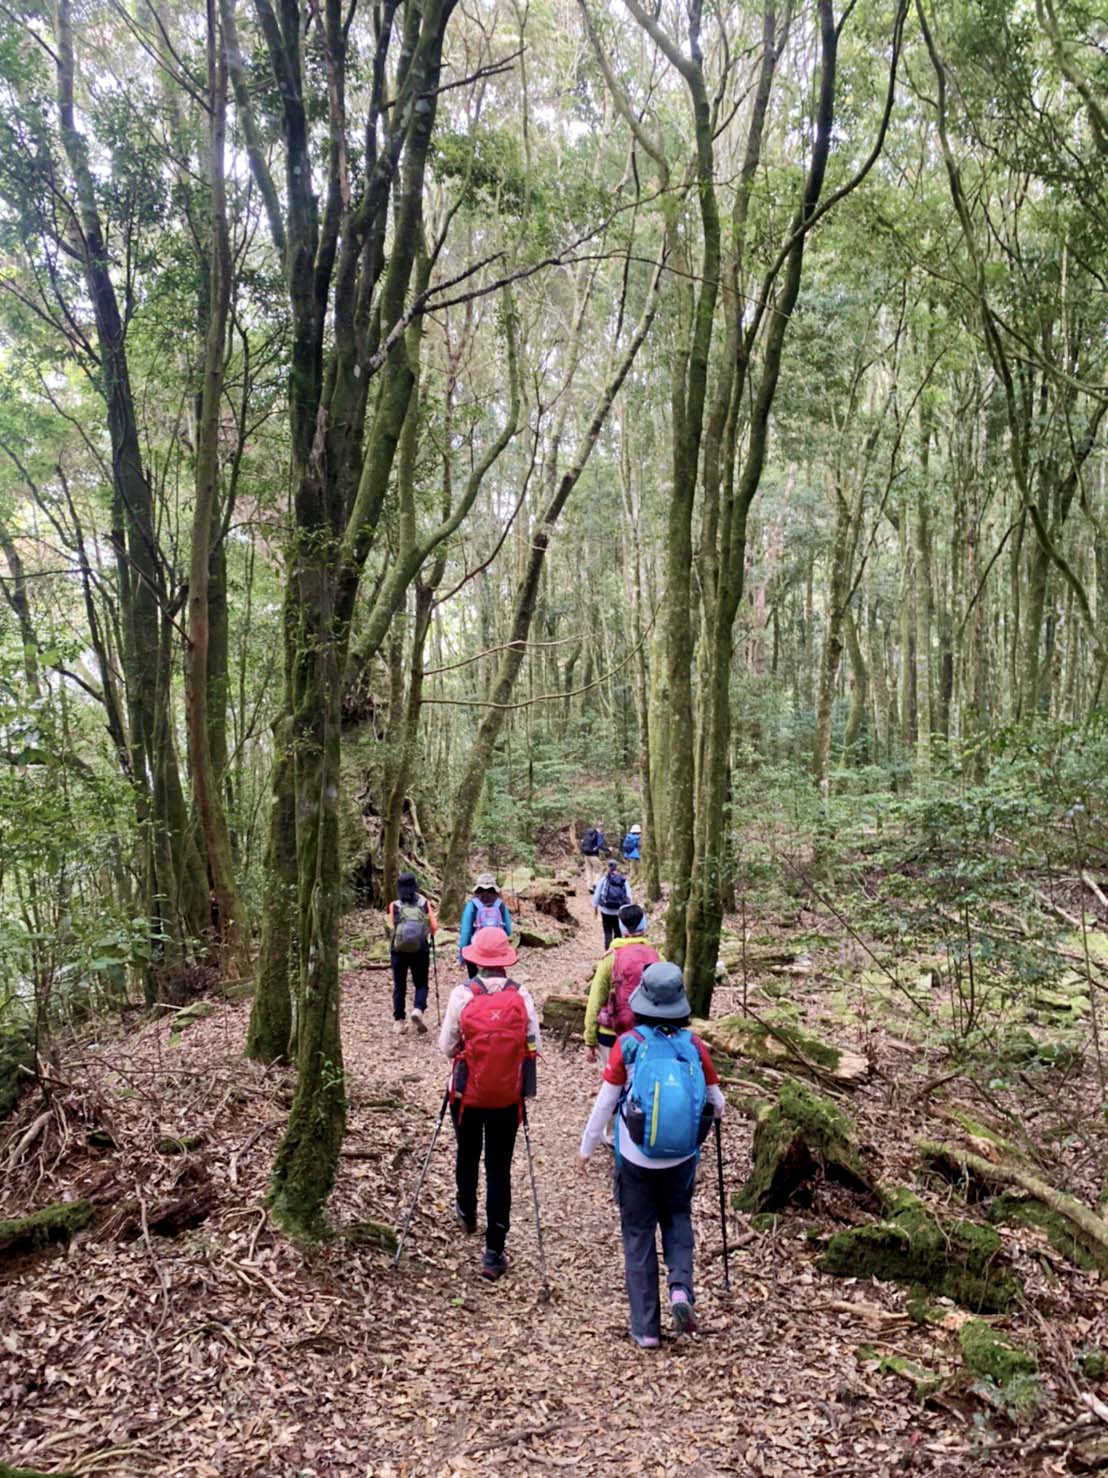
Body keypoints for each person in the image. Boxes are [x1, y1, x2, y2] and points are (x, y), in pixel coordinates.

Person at [578, 963, 725, 1347]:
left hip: (636, 1159)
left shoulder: (629, 1044)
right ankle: (681, 1290)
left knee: (639, 1233)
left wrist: (587, 1147)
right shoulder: (694, 1046)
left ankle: (646, 1329)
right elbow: (718, 1103)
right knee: (677, 1219)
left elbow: (606, 1103)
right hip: (681, 1158)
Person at [439, 925, 541, 1280]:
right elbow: (533, 1043)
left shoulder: (462, 995)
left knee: (467, 1152)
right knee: (498, 1166)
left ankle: (466, 1211)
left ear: (477, 960)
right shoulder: (521, 995)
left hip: (466, 1093)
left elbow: (446, 1045)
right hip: (507, 1097)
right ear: (505, 961)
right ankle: (494, 1250)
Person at [583, 903, 660, 1065]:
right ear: (644, 926)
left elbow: (595, 1000)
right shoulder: (658, 957)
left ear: (622, 928)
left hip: (611, 1034)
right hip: (648, 1034)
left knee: (613, 1085)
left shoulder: (610, 958)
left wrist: (589, 1038)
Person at [386, 872, 438, 1035]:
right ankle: (418, 1009)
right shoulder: (424, 903)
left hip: (398, 950)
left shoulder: (394, 905)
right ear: (415, 885)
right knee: (421, 983)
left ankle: (399, 1021)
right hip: (420, 949)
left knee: (399, 985)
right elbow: (434, 927)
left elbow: (392, 926)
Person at [457, 874, 512, 980]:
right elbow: (508, 931)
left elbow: (466, 932)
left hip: (476, 949)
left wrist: (462, 956)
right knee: (497, 981)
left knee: (475, 982)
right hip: (497, 949)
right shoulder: (500, 904)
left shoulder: (472, 905)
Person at [593, 858, 632, 948]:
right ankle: (618, 953)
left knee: (608, 932)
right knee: (618, 932)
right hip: (619, 911)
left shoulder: (604, 879)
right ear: (616, 868)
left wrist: (595, 910)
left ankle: (608, 953)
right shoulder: (623, 880)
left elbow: (597, 895)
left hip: (606, 910)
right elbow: (629, 896)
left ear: (608, 867)